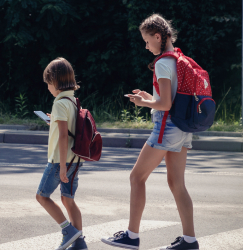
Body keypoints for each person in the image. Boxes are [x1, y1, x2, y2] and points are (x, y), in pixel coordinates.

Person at [101, 14, 199, 250]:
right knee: (177, 184)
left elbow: (164, 105)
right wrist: (149, 96)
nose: (146, 46)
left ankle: (131, 236)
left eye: (147, 41)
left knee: (136, 177)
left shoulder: (163, 63)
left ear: (158, 36)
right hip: (184, 128)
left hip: (167, 128)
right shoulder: (178, 58)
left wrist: (142, 103)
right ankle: (189, 240)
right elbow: (170, 99)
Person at [36, 57, 88, 250]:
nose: (48, 87)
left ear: (55, 82)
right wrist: (54, 121)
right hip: (76, 158)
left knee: (41, 196)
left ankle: (68, 231)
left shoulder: (59, 103)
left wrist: (63, 167)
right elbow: (70, 127)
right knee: (68, 199)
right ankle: (80, 243)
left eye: (48, 83)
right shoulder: (73, 100)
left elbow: (64, 136)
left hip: (60, 160)